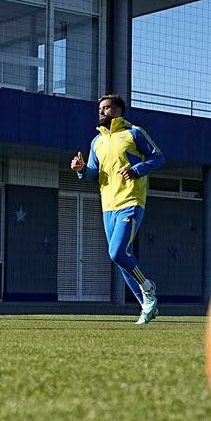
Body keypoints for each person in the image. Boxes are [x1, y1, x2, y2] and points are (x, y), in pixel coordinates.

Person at [70, 94, 165, 325]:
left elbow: (158, 157)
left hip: (131, 201)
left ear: (119, 110)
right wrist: (82, 169)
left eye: (107, 108)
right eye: (100, 108)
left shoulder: (134, 133)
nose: (102, 112)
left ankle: (148, 288)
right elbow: (95, 174)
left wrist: (137, 170)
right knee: (121, 259)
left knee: (117, 253)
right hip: (107, 207)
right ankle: (147, 307)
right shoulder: (97, 142)